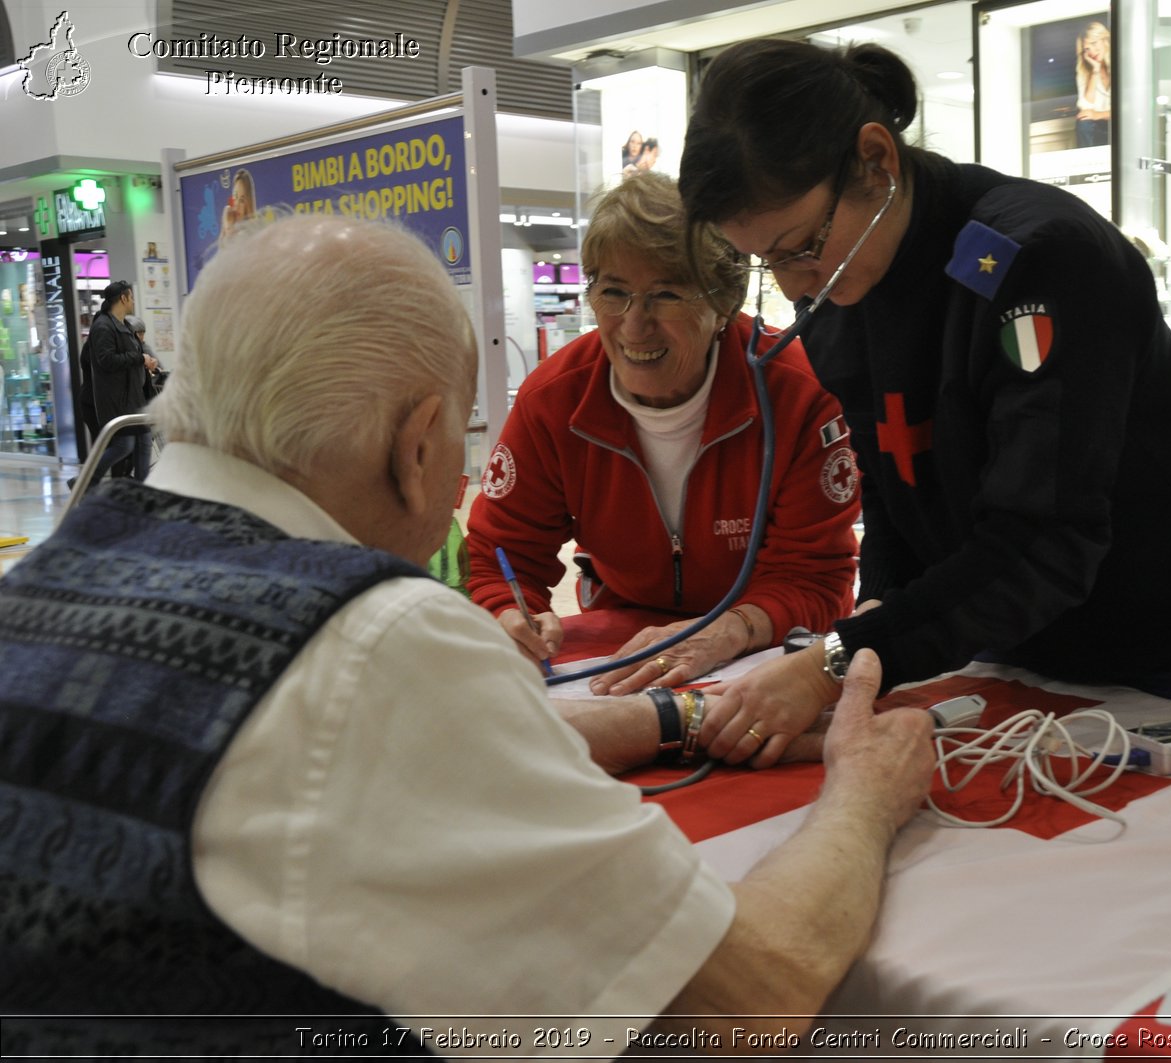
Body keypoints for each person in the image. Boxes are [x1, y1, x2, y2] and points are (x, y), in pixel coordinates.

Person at [0, 214, 935, 1057]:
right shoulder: (368, 639)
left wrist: (679, 716)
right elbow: (741, 1006)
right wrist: (866, 790)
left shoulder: (37, 589)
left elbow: (357, 753)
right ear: (417, 450)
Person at [677, 39, 1171, 769]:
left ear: (876, 160)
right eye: (766, 262)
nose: (792, 285)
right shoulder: (842, 294)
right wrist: (876, 628)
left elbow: (1045, 537)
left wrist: (839, 659)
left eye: (800, 246)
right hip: (1028, 644)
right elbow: (892, 494)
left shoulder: (1039, 262)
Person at [468, 172, 860, 694]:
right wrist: (508, 613)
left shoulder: (798, 392)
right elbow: (501, 555)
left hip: (763, 648)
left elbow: (815, 578)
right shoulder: (553, 400)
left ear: (724, 302)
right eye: (613, 292)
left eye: (666, 294)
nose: (634, 324)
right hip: (623, 642)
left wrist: (728, 632)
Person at [80, 278, 157, 485]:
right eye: (131, 297)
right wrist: (139, 359)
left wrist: (145, 360)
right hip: (117, 398)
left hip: (133, 395)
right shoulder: (103, 327)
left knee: (143, 442)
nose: (133, 302)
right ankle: (84, 481)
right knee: (124, 446)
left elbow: (133, 353)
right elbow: (106, 360)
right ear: (123, 299)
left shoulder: (122, 325)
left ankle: (142, 491)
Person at [1074, 21, 1112, 148]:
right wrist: (1095, 71)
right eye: (1087, 49)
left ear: (1104, 40)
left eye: (1094, 43)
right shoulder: (1083, 71)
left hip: (1120, 123)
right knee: (1083, 123)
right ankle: (1088, 166)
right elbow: (1086, 107)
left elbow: (1129, 110)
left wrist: (1098, 115)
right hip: (1098, 126)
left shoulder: (1121, 63)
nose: (1092, 51)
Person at [220, 167, 256, 240]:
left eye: (242, 200)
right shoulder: (232, 225)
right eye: (235, 196)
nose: (237, 204)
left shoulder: (248, 234)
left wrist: (228, 229)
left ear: (248, 204)